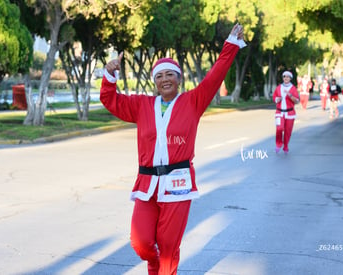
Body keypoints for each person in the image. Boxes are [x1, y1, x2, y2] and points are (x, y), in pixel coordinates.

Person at [100, 23, 247, 275]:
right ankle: (153, 264)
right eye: (159, 76)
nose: (165, 79)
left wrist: (230, 45)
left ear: (179, 79)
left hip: (178, 184)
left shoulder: (192, 101)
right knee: (141, 242)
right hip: (147, 183)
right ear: (155, 82)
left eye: (170, 74)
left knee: (169, 247)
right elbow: (111, 100)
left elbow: (215, 76)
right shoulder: (142, 105)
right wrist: (110, 75)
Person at [272, 71, 300, 154]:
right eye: (284, 77)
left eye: (288, 77)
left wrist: (290, 95)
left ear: (290, 78)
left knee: (288, 131)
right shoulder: (279, 87)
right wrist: (278, 99)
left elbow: (297, 101)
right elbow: (274, 98)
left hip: (290, 114)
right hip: (279, 112)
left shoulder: (293, 88)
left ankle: (286, 146)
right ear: (283, 78)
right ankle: (278, 144)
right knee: (279, 128)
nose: (286, 78)